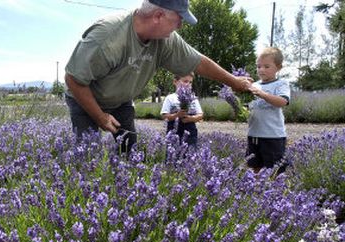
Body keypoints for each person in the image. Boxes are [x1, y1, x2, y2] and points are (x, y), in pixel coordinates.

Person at [64, 0, 252, 153]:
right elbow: (74, 79)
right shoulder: (108, 36)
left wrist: (234, 81)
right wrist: (100, 117)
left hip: (121, 101)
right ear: (158, 16)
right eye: (178, 19)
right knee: (86, 152)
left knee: (130, 150)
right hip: (85, 97)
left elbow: (198, 62)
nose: (180, 25)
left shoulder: (166, 39)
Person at [247, 47, 290, 173]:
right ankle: (256, 190)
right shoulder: (254, 85)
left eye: (266, 66)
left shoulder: (281, 84)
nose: (261, 70)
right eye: (258, 66)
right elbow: (248, 106)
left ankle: (276, 191)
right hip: (254, 134)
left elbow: (282, 102)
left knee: (274, 169)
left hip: (273, 136)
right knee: (255, 165)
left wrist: (262, 94)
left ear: (278, 67)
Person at [160, 73, 203, 146]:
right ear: (175, 82)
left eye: (190, 82)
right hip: (174, 131)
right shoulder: (170, 98)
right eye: (185, 81)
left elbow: (200, 115)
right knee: (173, 154)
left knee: (190, 153)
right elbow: (164, 116)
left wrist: (190, 118)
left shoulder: (193, 98)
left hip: (190, 132)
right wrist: (177, 115)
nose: (188, 84)